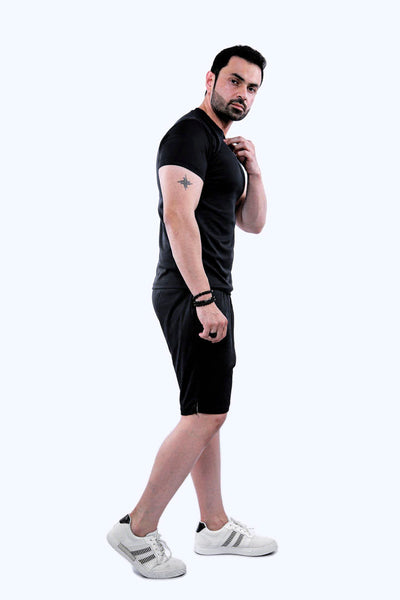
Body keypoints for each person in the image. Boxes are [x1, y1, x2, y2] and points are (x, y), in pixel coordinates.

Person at [107, 44, 277, 579]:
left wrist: (254, 171)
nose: (243, 93)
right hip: (191, 291)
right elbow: (177, 217)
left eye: (252, 87)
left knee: (206, 408)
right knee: (208, 413)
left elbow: (253, 223)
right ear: (210, 78)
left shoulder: (221, 146)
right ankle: (137, 529)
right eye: (235, 81)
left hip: (210, 288)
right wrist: (204, 299)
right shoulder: (187, 135)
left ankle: (214, 525)